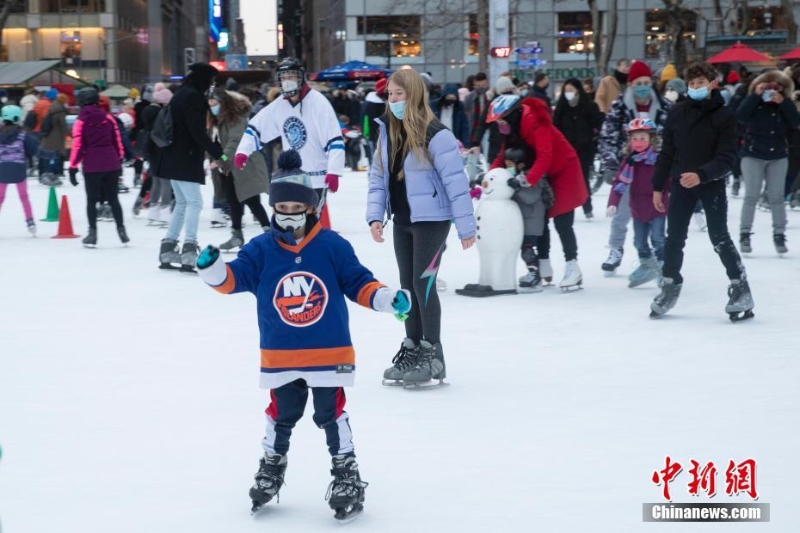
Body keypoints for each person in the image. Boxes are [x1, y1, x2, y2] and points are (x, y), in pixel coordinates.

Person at [196, 149, 412, 520]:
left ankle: (346, 473)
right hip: (282, 355)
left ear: (311, 209)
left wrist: (388, 298)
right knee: (282, 414)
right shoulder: (261, 249)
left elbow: (359, 283)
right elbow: (231, 281)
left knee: (332, 413)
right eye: (284, 206)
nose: (290, 212)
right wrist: (212, 268)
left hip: (329, 353)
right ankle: (271, 466)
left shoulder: (331, 246)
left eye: (298, 206)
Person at [366, 68, 476, 388]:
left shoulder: (436, 133)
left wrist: (465, 227)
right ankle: (413, 348)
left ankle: (434, 353)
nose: (394, 100)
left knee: (422, 283)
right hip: (402, 220)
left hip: (432, 220)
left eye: (399, 94)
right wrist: (375, 216)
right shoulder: (387, 132)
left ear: (414, 94)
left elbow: (456, 183)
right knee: (406, 285)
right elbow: (377, 178)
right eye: (390, 94)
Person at [650, 62, 753, 321]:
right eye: (692, 83)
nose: (695, 87)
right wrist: (657, 186)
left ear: (712, 84)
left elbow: (727, 157)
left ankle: (740, 286)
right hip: (681, 183)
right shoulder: (677, 113)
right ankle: (670, 284)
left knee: (719, 236)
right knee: (673, 238)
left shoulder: (725, 115)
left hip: (710, 183)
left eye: (700, 83)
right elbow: (667, 153)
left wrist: (702, 174)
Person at [488, 94, 588, 290]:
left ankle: (573, 267)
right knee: (541, 219)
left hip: (564, 170)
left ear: (512, 115)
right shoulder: (513, 129)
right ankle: (543, 265)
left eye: (501, 120)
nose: (500, 125)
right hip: (545, 174)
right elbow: (502, 155)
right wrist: (490, 177)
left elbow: (545, 156)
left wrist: (525, 180)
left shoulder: (534, 122)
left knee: (562, 221)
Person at [235, 57, 344, 229]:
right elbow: (257, 127)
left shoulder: (318, 103)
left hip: (317, 175)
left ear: (300, 78)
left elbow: (334, 139)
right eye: (283, 77)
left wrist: (334, 170)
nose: (287, 81)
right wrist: (243, 151)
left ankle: (315, 253)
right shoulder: (279, 105)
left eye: (291, 76)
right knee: (293, 223)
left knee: (312, 223)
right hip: (293, 176)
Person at [598, 60, 672, 275]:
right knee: (622, 212)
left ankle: (660, 258)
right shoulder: (620, 106)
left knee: (657, 212)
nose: (642, 86)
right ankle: (616, 249)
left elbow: (675, 136)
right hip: (629, 166)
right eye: (638, 82)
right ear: (630, 84)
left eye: (646, 82)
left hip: (656, 167)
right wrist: (611, 165)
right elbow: (608, 136)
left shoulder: (665, 106)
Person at [154, 62, 226, 271]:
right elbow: (197, 132)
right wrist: (219, 153)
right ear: (204, 78)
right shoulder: (193, 97)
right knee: (194, 203)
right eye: (211, 80)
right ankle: (189, 249)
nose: (211, 85)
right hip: (185, 157)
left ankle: (168, 249)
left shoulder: (180, 94)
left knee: (184, 203)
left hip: (172, 156)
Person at [736, 68, 800, 255]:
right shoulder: (754, 102)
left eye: (778, 86)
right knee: (751, 196)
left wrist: (785, 103)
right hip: (752, 153)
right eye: (768, 86)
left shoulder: (784, 104)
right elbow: (740, 117)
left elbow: (796, 123)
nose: (773, 90)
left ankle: (779, 234)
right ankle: (745, 233)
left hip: (778, 155)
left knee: (777, 197)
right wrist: (755, 96)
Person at [606, 119, 667, 288]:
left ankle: (664, 269)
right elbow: (619, 183)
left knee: (658, 239)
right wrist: (613, 202)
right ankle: (648, 265)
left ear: (651, 140)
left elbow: (669, 180)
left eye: (642, 138)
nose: (638, 143)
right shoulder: (630, 161)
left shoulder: (658, 160)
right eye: (635, 139)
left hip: (657, 206)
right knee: (639, 241)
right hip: (638, 208)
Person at [208, 88, 270, 252]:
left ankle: (270, 233)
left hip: (245, 164)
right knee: (233, 200)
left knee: (251, 200)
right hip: (231, 167)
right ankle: (237, 236)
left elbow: (235, 141)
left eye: (214, 102)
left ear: (223, 102)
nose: (211, 105)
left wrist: (221, 160)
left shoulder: (236, 118)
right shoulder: (221, 120)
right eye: (210, 102)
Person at [67, 88, 128, 248]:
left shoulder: (80, 122)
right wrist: (119, 159)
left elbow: (78, 146)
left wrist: (72, 167)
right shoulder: (109, 118)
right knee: (114, 199)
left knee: (91, 200)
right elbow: (117, 141)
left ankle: (92, 234)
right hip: (111, 162)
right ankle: (121, 230)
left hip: (92, 165)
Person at [553, 77, 605, 220]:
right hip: (566, 150)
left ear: (577, 90)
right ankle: (565, 208)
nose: (568, 93)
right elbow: (555, 127)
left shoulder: (588, 106)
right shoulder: (561, 108)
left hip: (584, 149)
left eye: (571, 90)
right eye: (566, 90)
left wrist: (593, 139)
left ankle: (587, 207)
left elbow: (599, 123)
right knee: (565, 180)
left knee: (582, 178)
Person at [503, 147, 553, 292]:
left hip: (532, 220)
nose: (508, 168)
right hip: (525, 220)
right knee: (525, 248)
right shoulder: (517, 178)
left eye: (510, 165)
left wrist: (517, 189)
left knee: (527, 249)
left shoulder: (533, 178)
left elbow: (529, 197)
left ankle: (534, 275)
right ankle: (533, 272)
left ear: (521, 165)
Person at [133, 83, 173, 221]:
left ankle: (154, 210)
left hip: (151, 150)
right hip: (162, 149)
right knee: (165, 181)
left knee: (155, 180)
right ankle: (165, 210)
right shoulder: (161, 113)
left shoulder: (146, 110)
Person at [0, 105, 38, 235]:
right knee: (24, 197)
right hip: (19, 169)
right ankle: (30, 222)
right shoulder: (23, 135)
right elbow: (34, 149)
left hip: (2, 170)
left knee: (0, 197)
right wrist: (50, 154)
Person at [38, 92, 69, 186]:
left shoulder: (52, 107)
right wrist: (69, 133)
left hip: (48, 136)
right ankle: (52, 175)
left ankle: (43, 174)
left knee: (46, 156)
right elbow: (63, 125)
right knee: (55, 156)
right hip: (56, 137)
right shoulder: (60, 110)